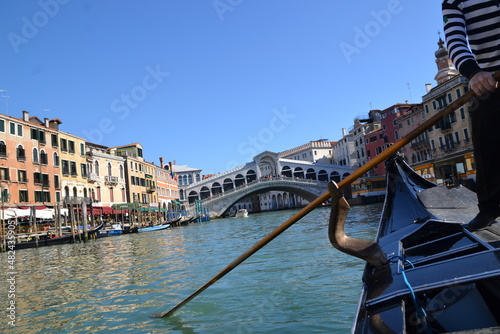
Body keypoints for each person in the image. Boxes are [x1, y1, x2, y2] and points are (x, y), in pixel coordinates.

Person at [442, 0, 500, 230]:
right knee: (486, 142)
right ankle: (489, 208)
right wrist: (474, 73)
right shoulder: (453, 1)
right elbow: (455, 40)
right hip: (489, 81)